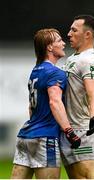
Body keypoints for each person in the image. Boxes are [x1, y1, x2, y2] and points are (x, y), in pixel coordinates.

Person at [11, 28, 81, 179]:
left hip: (25, 137)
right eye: (59, 41)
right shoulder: (56, 73)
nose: (63, 43)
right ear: (49, 47)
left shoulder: (35, 71)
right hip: (45, 138)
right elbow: (54, 101)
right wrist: (69, 131)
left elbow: (31, 108)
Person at [60, 15, 94, 179]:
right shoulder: (72, 59)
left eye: (74, 30)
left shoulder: (89, 60)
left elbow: (93, 93)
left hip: (81, 131)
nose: (69, 34)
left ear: (87, 35)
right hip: (67, 130)